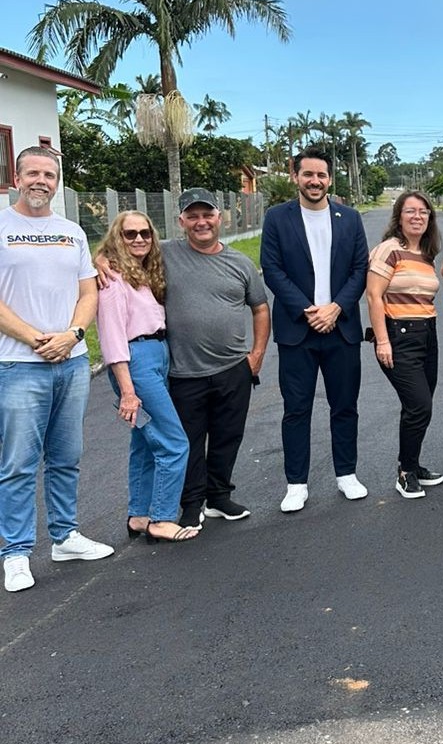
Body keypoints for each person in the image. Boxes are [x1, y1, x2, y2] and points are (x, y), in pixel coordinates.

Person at [0, 147, 113, 592]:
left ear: (57, 181)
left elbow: (88, 292)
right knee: (18, 464)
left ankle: (65, 537)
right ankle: (16, 553)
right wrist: (35, 338)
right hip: (18, 364)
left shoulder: (72, 232)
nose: (41, 181)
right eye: (33, 173)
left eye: (49, 175)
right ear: (17, 177)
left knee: (66, 457)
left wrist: (73, 334)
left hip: (72, 361)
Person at [261, 147, 369, 514]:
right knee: (296, 409)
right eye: (308, 174)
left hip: (342, 329)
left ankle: (347, 474)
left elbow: (360, 269)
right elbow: (272, 269)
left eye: (321, 175)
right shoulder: (277, 218)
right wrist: (308, 310)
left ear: (330, 179)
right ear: (295, 176)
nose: (315, 181)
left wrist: (336, 308)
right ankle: (296, 484)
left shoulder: (349, 219)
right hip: (298, 330)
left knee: (345, 406)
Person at [162, 189, 270, 528]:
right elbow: (120, 252)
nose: (201, 222)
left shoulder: (240, 263)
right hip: (184, 371)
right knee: (189, 441)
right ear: (181, 221)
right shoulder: (164, 254)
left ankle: (219, 497)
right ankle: (191, 504)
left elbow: (260, 308)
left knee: (227, 436)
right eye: (192, 216)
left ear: (219, 218)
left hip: (233, 368)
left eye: (207, 215)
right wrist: (104, 262)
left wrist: (256, 355)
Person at [96, 211, 196, 543]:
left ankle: (139, 516)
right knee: (173, 442)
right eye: (129, 234)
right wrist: (127, 391)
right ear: (117, 238)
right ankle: (163, 518)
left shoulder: (143, 271)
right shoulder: (112, 280)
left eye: (145, 233)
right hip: (135, 363)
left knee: (144, 442)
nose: (139, 239)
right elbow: (112, 339)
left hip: (157, 355)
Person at [365, 192, 443, 500]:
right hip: (398, 335)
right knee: (418, 405)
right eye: (410, 211)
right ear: (399, 217)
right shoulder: (389, 250)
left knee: (420, 407)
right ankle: (405, 473)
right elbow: (374, 296)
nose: (417, 217)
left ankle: (412, 463)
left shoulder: (426, 254)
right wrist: (383, 340)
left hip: (428, 333)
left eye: (423, 212)